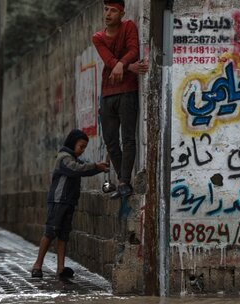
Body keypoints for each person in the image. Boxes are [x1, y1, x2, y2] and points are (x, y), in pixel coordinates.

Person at [31, 129, 109, 279]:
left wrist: (98, 168)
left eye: (84, 147)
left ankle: (61, 268)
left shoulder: (72, 158)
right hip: (58, 200)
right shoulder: (64, 158)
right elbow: (76, 170)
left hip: (68, 202)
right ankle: (37, 265)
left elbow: (83, 168)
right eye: (81, 146)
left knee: (63, 235)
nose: (82, 150)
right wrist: (95, 166)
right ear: (73, 143)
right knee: (50, 232)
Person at [92, 0, 148, 199]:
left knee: (128, 138)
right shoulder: (98, 37)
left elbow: (134, 50)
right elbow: (107, 59)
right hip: (108, 94)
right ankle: (122, 177)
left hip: (127, 91)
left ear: (121, 13)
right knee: (110, 140)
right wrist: (128, 66)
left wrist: (122, 64)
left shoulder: (129, 26)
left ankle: (124, 182)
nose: (108, 14)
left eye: (113, 10)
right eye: (106, 9)